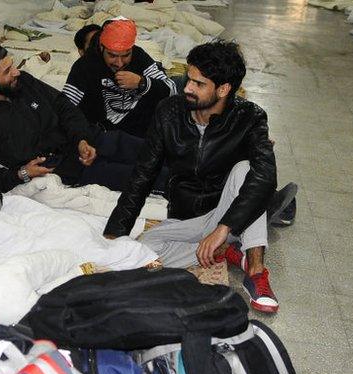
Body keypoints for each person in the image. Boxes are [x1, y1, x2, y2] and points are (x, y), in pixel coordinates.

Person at [103, 41, 283, 313]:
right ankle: (224, 250)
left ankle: (256, 271)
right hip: (187, 216)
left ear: (223, 90)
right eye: (189, 78)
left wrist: (223, 228)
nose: (187, 87)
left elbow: (266, 176)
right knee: (146, 247)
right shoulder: (169, 111)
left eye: (199, 84)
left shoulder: (249, 117)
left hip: (226, 212)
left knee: (249, 171)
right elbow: (143, 175)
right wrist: (115, 234)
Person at [0, 43, 98, 196]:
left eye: (12, 65)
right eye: (7, 71)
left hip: (87, 143)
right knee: (128, 177)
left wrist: (81, 139)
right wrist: (21, 173)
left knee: (127, 146)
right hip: (66, 170)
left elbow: (62, 105)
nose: (16, 72)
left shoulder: (23, 83)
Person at [64, 18, 177, 193]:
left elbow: (171, 90)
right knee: (147, 175)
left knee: (172, 162)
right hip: (101, 139)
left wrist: (142, 83)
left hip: (139, 135)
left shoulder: (140, 57)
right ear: (102, 48)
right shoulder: (85, 66)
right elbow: (65, 107)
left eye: (125, 55)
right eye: (112, 56)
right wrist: (81, 138)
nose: (119, 63)